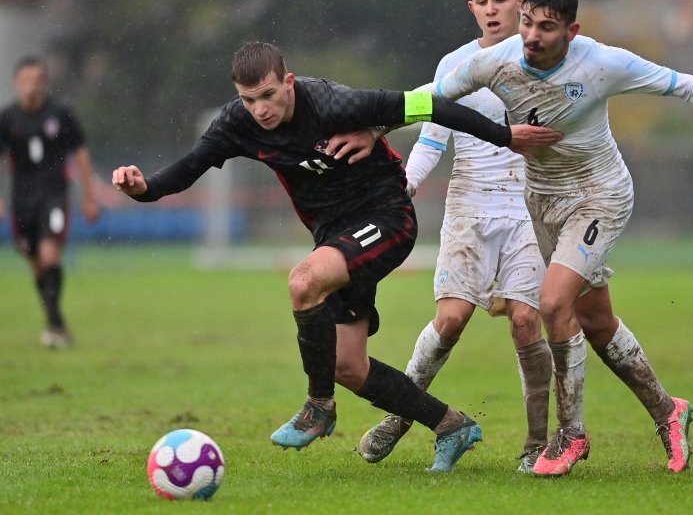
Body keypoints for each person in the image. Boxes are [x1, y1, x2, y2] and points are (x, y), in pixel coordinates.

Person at [332, 0, 693, 476]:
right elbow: (430, 97)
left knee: (552, 302)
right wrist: (374, 128)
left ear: (572, 31)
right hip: (542, 200)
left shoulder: (603, 63)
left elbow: (682, 82)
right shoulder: (498, 60)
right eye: (529, 22)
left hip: (599, 197)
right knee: (596, 323)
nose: (531, 36)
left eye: (546, 28)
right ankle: (669, 411)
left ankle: (569, 437)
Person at [111, 41, 562, 472]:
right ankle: (451, 426)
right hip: (335, 234)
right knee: (348, 365)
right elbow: (188, 169)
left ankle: (319, 406)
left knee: (303, 281)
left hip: (386, 216)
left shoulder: (334, 104)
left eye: (268, 95)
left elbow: (432, 106)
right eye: (249, 100)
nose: (260, 109)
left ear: (288, 82)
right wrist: (144, 188)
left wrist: (505, 136)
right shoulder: (238, 123)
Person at [354, 0, 555, 474]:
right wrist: (405, 185)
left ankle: (537, 445)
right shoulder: (456, 64)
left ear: (521, 3)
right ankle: (400, 419)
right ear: (472, 8)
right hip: (468, 205)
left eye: (501, 0)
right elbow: (431, 138)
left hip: (527, 204)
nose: (492, 11)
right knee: (450, 319)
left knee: (526, 320)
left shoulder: (548, 61)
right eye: (482, 2)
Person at [0, 55, 99, 348]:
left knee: (49, 253)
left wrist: (90, 197)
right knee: (36, 262)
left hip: (55, 194)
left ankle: (54, 324)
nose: (31, 87)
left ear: (45, 83)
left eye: (37, 81)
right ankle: (56, 320)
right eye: (25, 81)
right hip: (22, 200)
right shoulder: (7, 118)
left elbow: (80, 154)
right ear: (16, 83)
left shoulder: (61, 113)